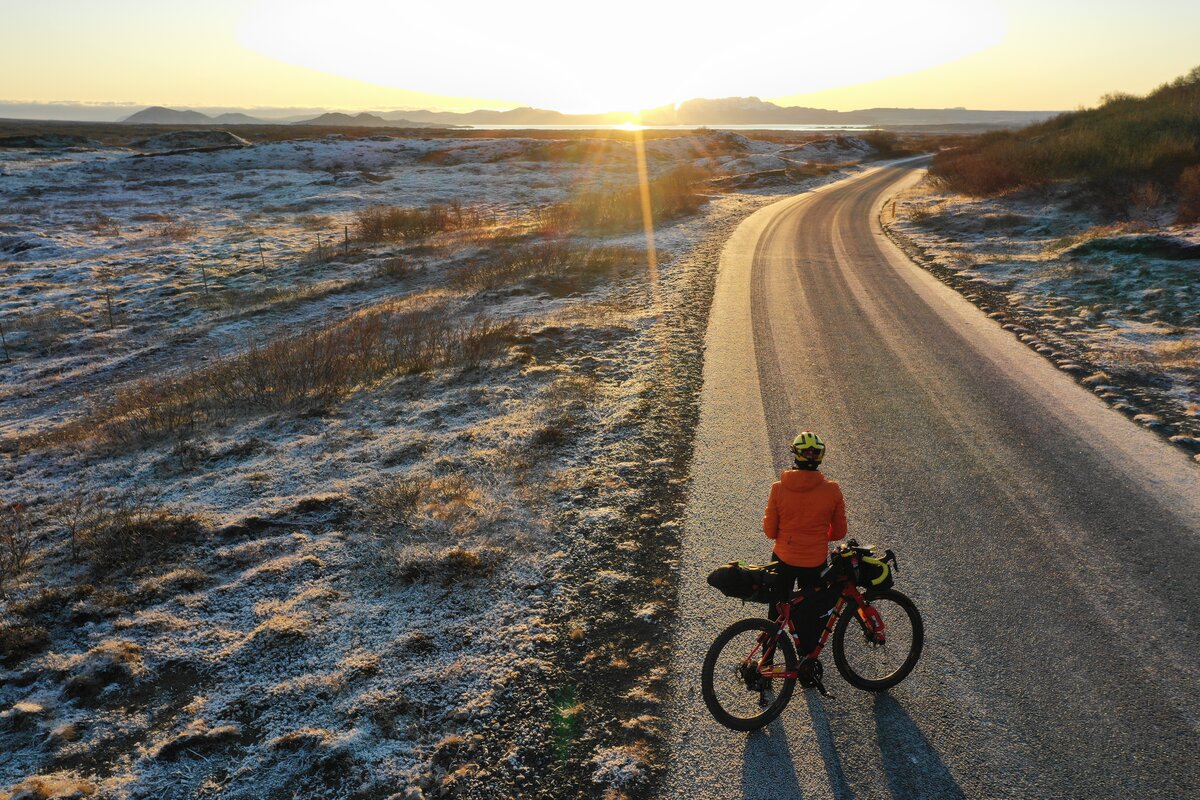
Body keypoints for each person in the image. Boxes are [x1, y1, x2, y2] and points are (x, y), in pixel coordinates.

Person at [762, 431, 847, 684]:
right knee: (810, 612)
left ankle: (766, 663)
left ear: (795, 455)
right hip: (814, 561)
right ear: (819, 457)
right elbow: (839, 532)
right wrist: (817, 535)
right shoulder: (832, 490)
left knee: (776, 611)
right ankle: (806, 667)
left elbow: (769, 532)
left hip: (783, 558)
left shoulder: (778, 488)